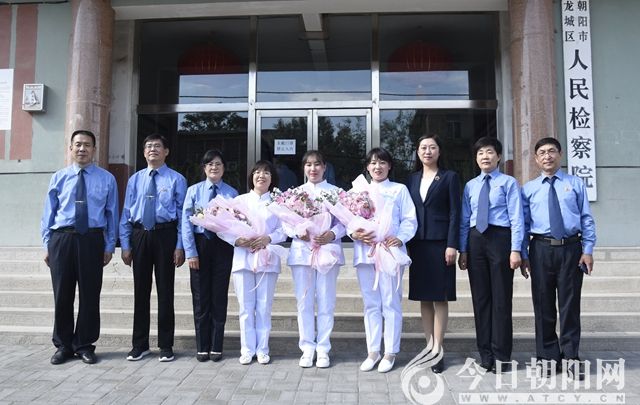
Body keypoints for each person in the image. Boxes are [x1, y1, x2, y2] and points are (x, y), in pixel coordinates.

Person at [41, 129, 119, 365]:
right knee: (62, 294)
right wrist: (47, 244)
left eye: (87, 145)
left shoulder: (107, 179)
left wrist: (109, 246)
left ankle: (84, 345)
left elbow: (111, 214)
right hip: (62, 239)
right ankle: (63, 345)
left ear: (94, 149)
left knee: (90, 294)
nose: (82, 149)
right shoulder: (59, 177)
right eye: (78, 144)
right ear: (71, 148)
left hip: (92, 240)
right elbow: (48, 213)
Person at [520, 137, 596, 380]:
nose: (547, 156)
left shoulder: (575, 184)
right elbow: (523, 224)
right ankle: (548, 357)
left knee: (570, 305)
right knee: (543, 305)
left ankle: (571, 355)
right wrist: (523, 254)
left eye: (552, 151)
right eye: (542, 152)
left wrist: (588, 249)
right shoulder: (529, 189)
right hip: (540, 249)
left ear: (560, 155)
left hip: (571, 249)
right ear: (536, 159)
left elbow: (586, 218)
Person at [458, 136, 524, 373]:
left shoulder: (508, 183)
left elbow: (517, 217)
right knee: (481, 299)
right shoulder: (470, 186)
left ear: (498, 156)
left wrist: (516, 249)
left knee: (501, 299)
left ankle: (502, 355)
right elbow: (465, 219)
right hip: (476, 241)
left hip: (500, 239)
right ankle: (485, 354)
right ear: (476, 159)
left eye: (489, 152)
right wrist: (463, 249)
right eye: (480, 153)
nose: (484, 157)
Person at [120, 134, 187, 362]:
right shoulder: (135, 179)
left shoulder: (176, 179)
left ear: (166, 151)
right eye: (148, 146)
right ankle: (140, 344)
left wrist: (180, 245)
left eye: (158, 146)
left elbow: (183, 215)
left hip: (165, 235)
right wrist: (125, 243)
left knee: (165, 291)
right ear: (143, 152)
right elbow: (126, 212)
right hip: (140, 234)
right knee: (141, 291)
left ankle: (166, 345)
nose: (153, 149)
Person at [351, 147, 417, 373]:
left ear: (389, 166)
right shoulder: (358, 191)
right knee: (371, 303)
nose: (377, 166)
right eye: (372, 163)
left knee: (390, 302)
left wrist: (400, 238)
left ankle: (390, 351)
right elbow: (348, 220)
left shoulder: (399, 190)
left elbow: (409, 219)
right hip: (366, 252)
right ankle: (373, 351)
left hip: (390, 251)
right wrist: (354, 233)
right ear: (367, 167)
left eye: (382, 162)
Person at [218, 160, 285, 365]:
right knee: (246, 308)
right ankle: (247, 349)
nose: (261, 176)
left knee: (264, 307)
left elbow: (285, 230)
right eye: (257, 172)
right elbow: (222, 228)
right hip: (243, 259)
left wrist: (268, 238)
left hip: (267, 258)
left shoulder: (278, 203)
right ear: (251, 176)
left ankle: (262, 349)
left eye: (266, 173)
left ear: (272, 178)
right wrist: (237, 240)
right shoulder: (239, 201)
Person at [286, 150, 345, 368]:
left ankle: (323, 349)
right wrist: (297, 231)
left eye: (317, 164)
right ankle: (307, 348)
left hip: (327, 252)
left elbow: (346, 222)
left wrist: (333, 234)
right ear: (304, 168)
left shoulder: (336, 193)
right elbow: (285, 222)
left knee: (326, 302)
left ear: (325, 167)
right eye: (309, 164)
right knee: (304, 302)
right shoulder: (295, 194)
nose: (313, 168)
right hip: (302, 253)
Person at [406, 134, 460, 374]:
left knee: (440, 297)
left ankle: (438, 348)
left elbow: (455, 213)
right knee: (424, 298)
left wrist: (452, 244)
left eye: (432, 147)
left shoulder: (449, 177)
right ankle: (429, 346)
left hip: (441, 244)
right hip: (418, 244)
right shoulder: (411, 179)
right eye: (423, 148)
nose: (427, 151)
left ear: (439, 151)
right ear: (417, 152)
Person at [181, 150, 238, 362]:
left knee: (219, 296)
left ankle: (216, 345)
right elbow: (186, 223)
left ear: (224, 168)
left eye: (218, 164)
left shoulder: (231, 193)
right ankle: (202, 346)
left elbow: (237, 222)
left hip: (223, 246)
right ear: (204, 168)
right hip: (200, 245)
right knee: (200, 297)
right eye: (210, 164)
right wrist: (190, 252)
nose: (214, 167)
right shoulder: (193, 191)